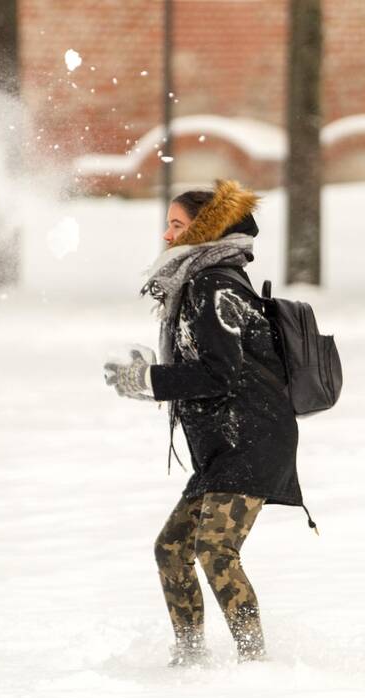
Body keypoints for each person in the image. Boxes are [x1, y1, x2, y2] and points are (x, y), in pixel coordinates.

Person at [104, 179, 307, 666]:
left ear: (206, 230)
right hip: (226, 444)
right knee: (172, 549)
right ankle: (190, 656)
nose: (167, 236)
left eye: (177, 225)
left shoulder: (213, 284)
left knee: (215, 549)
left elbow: (220, 373)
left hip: (252, 439)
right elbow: (213, 364)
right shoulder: (201, 281)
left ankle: (254, 662)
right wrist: (155, 370)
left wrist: (151, 380)